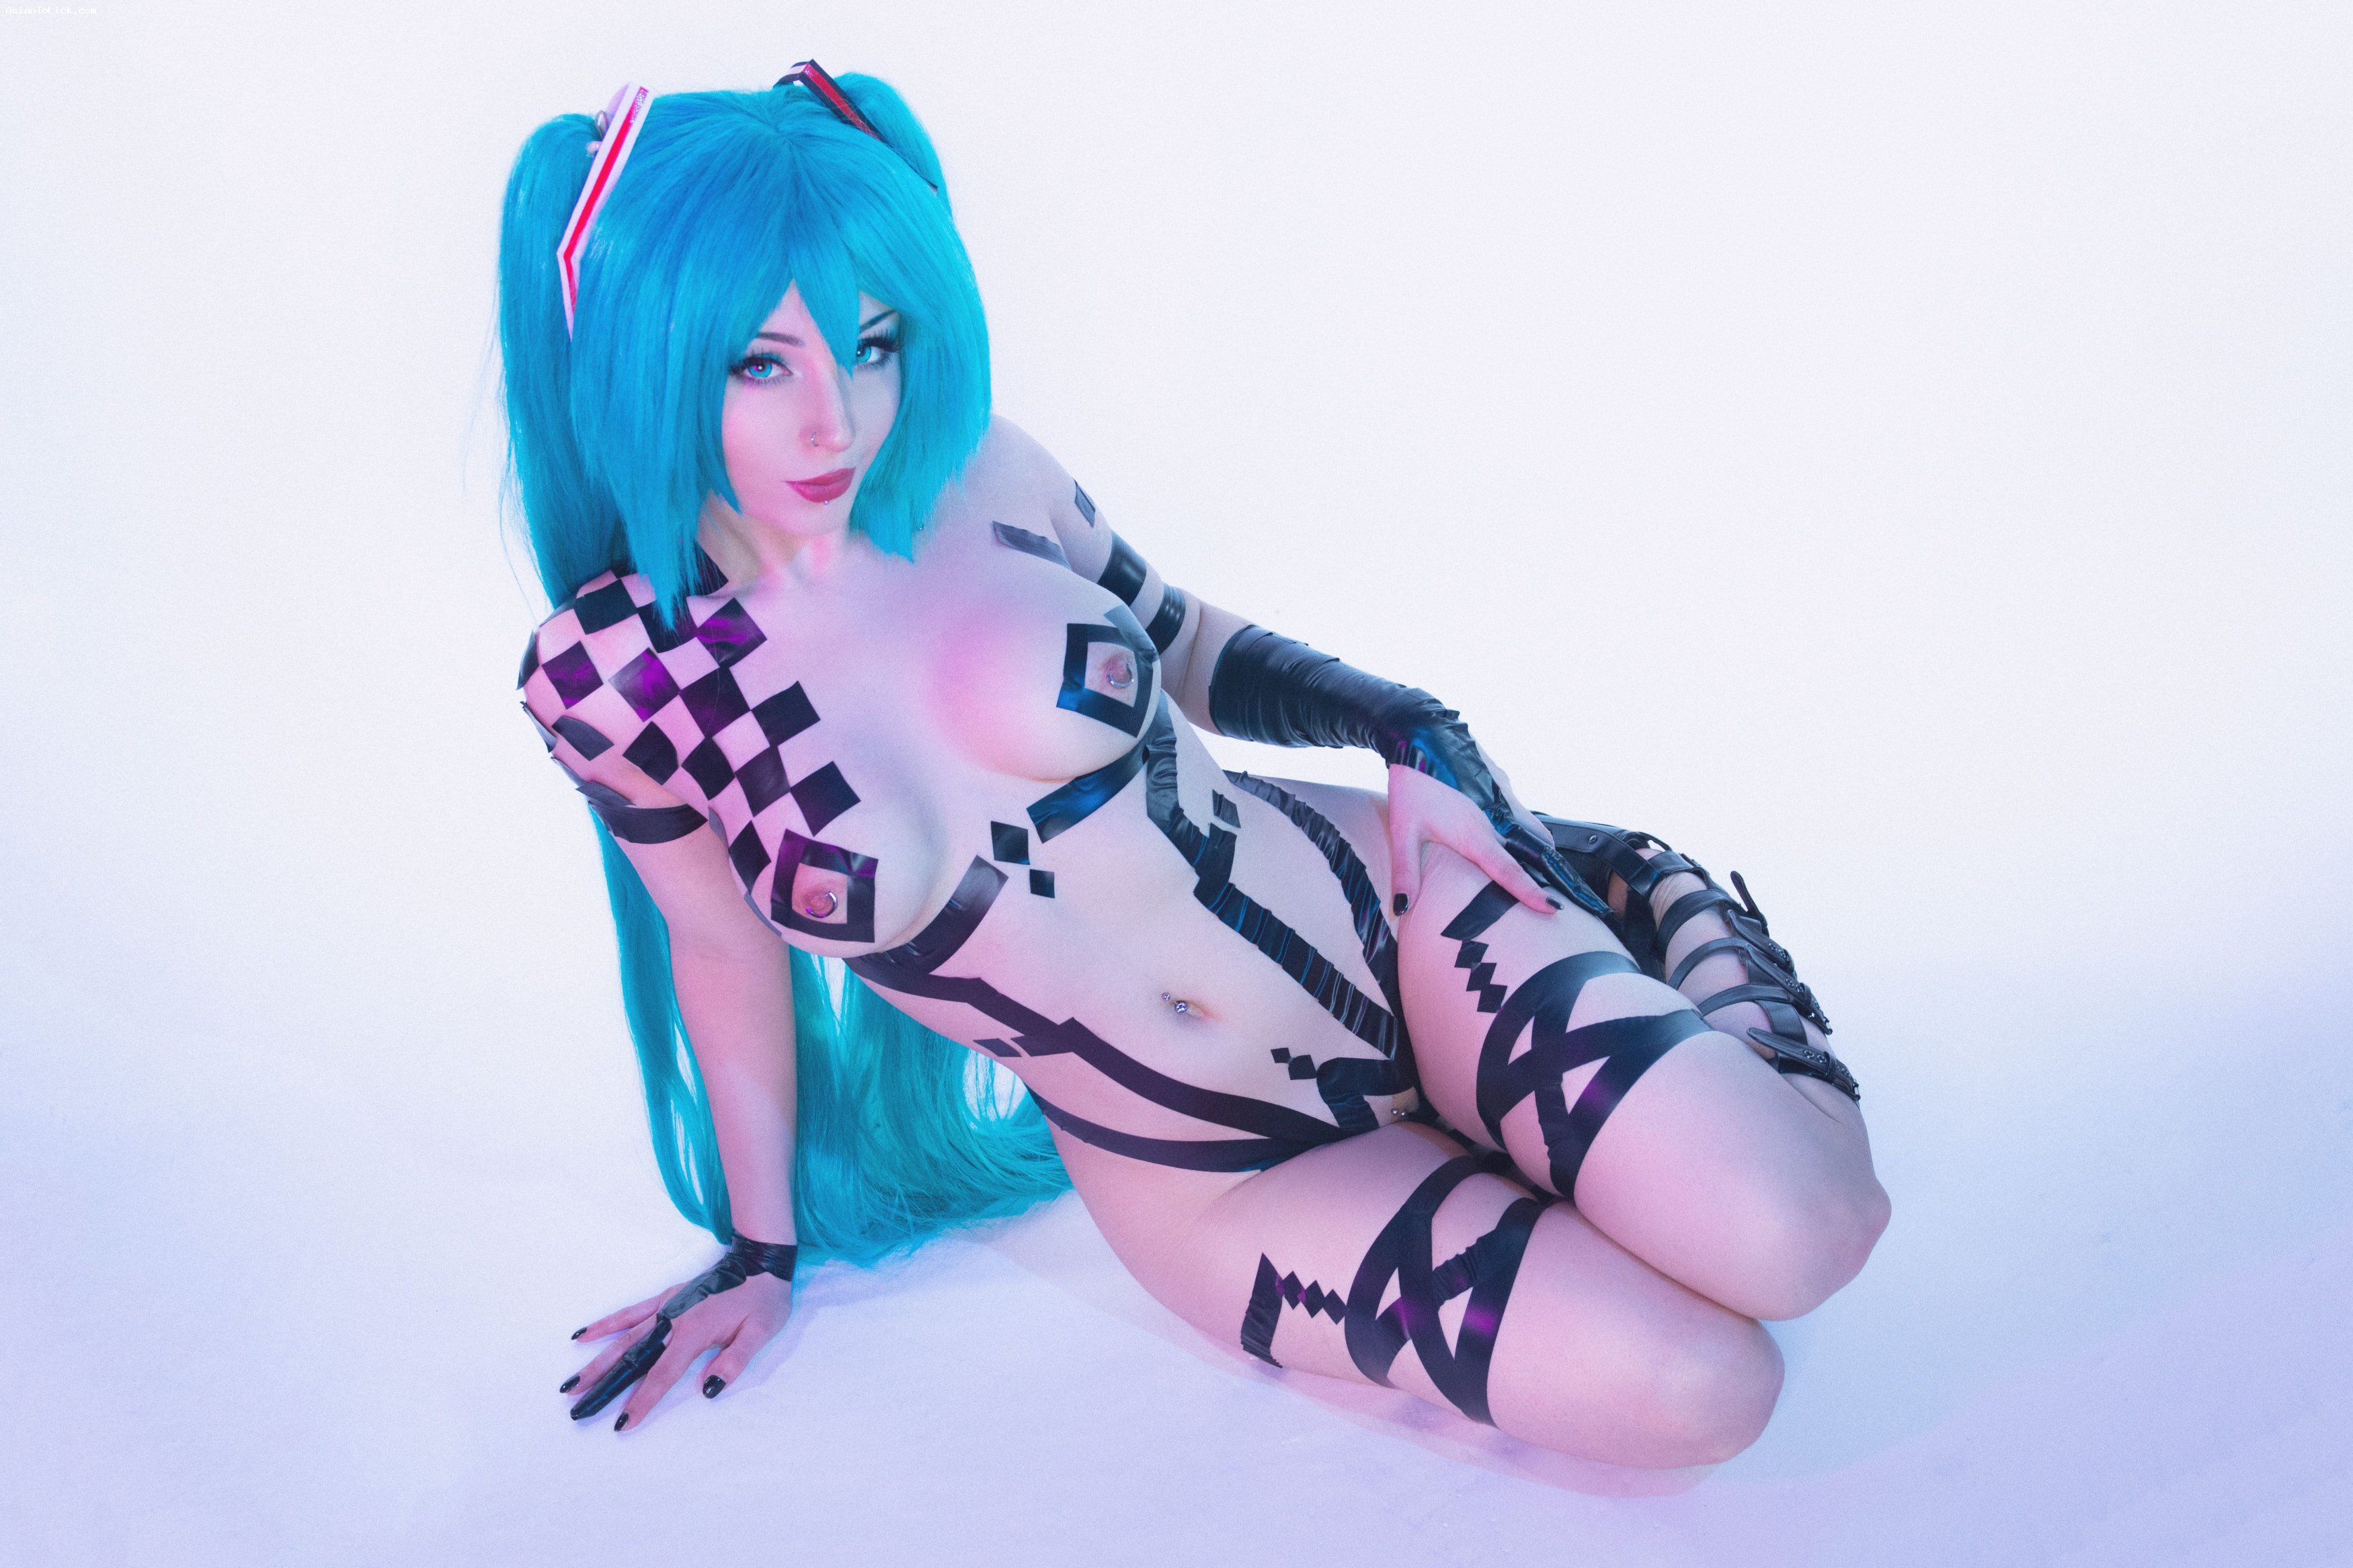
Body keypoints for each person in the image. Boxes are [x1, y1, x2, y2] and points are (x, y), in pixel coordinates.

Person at [500, 64, 1889, 1465]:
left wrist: (1419, 731)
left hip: (1399, 921)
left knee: (1799, 1233)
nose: (838, 422)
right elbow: (721, 952)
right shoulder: (613, 679)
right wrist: (759, 1251)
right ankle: (1539, 1132)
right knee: (1703, 1390)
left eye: (870, 344)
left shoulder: (979, 474)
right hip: (1214, 1173)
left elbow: (1189, 643)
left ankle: (1660, 902)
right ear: (643, 359)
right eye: (760, 364)